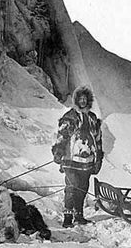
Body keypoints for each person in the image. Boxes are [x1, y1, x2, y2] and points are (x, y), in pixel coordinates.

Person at [52, 86, 103, 228]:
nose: (82, 101)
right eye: (80, 99)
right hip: (70, 159)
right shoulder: (70, 117)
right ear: (76, 100)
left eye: (85, 99)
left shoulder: (93, 118)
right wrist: (58, 152)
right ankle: (68, 217)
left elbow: (98, 139)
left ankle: (79, 215)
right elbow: (62, 136)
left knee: (82, 188)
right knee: (71, 188)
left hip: (87, 161)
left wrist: (98, 158)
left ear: (88, 101)